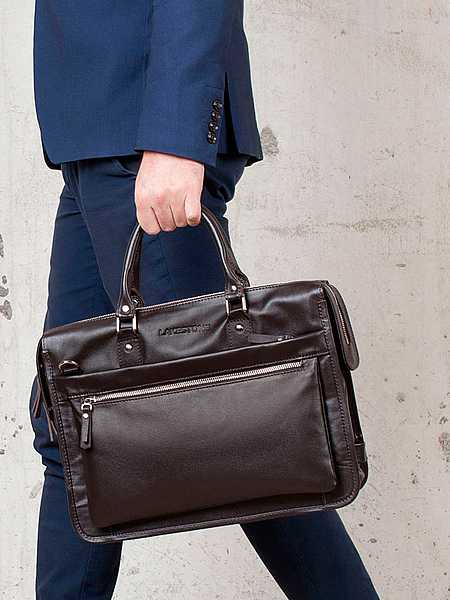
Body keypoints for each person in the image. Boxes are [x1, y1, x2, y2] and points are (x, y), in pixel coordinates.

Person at [30, 1, 379, 598]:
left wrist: (177, 136)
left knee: (240, 431)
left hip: (142, 132)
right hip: (93, 135)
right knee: (68, 428)